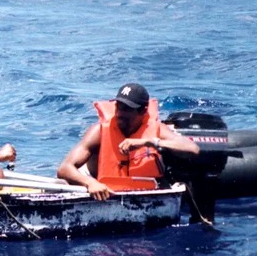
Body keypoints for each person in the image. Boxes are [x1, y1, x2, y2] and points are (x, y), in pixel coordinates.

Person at [57, 83, 200, 201]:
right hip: (99, 185)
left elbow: (192, 149)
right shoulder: (99, 131)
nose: (120, 113)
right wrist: (90, 183)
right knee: (63, 183)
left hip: (142, 190)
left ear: (143, 111)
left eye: (127, 109)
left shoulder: (157, 129)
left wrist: (148, 142)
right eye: (118, 106)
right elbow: (64, 168)